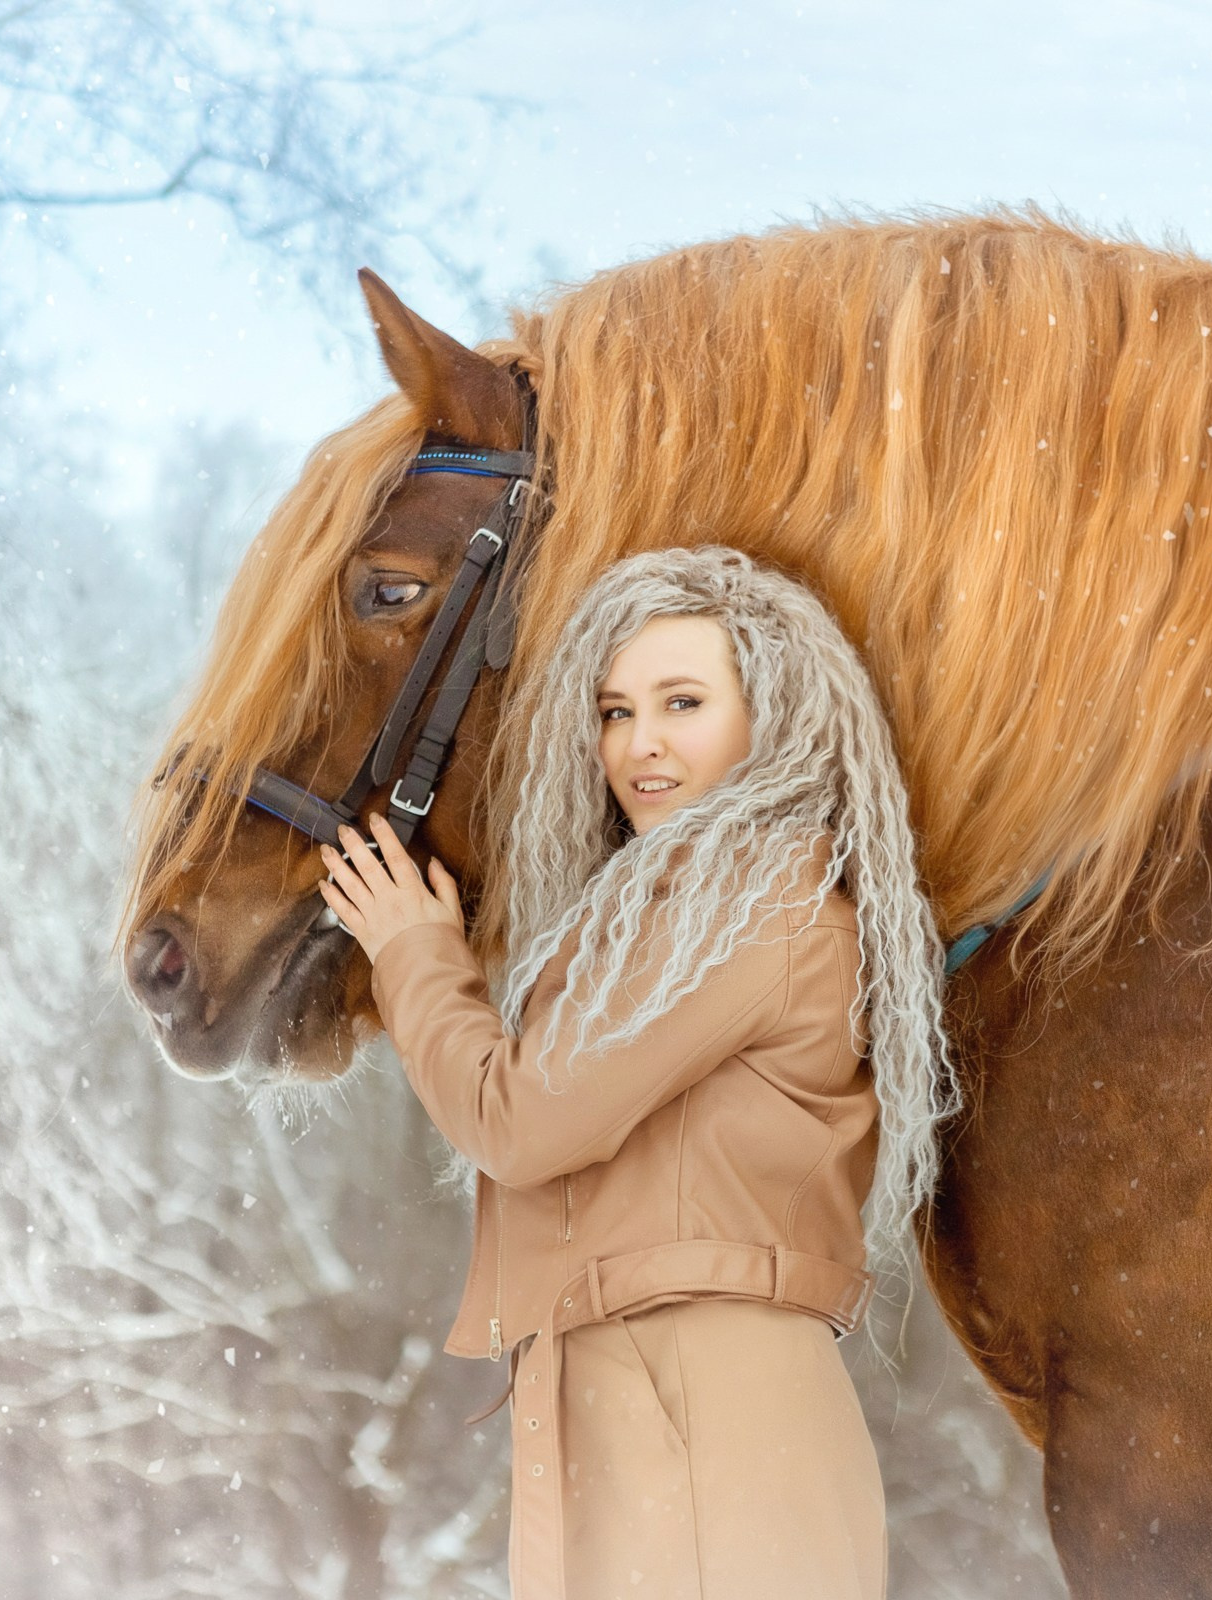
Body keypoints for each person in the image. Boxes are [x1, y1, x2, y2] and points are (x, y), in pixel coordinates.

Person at [314, 545, 955, 1600]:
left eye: (683, 702)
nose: (639, 745)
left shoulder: (763, 910)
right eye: (615, 712)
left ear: (773, 716)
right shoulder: (681, 917)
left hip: (705, 1406)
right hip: (650, 1399)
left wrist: (413, 948)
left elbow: (519, 1117)